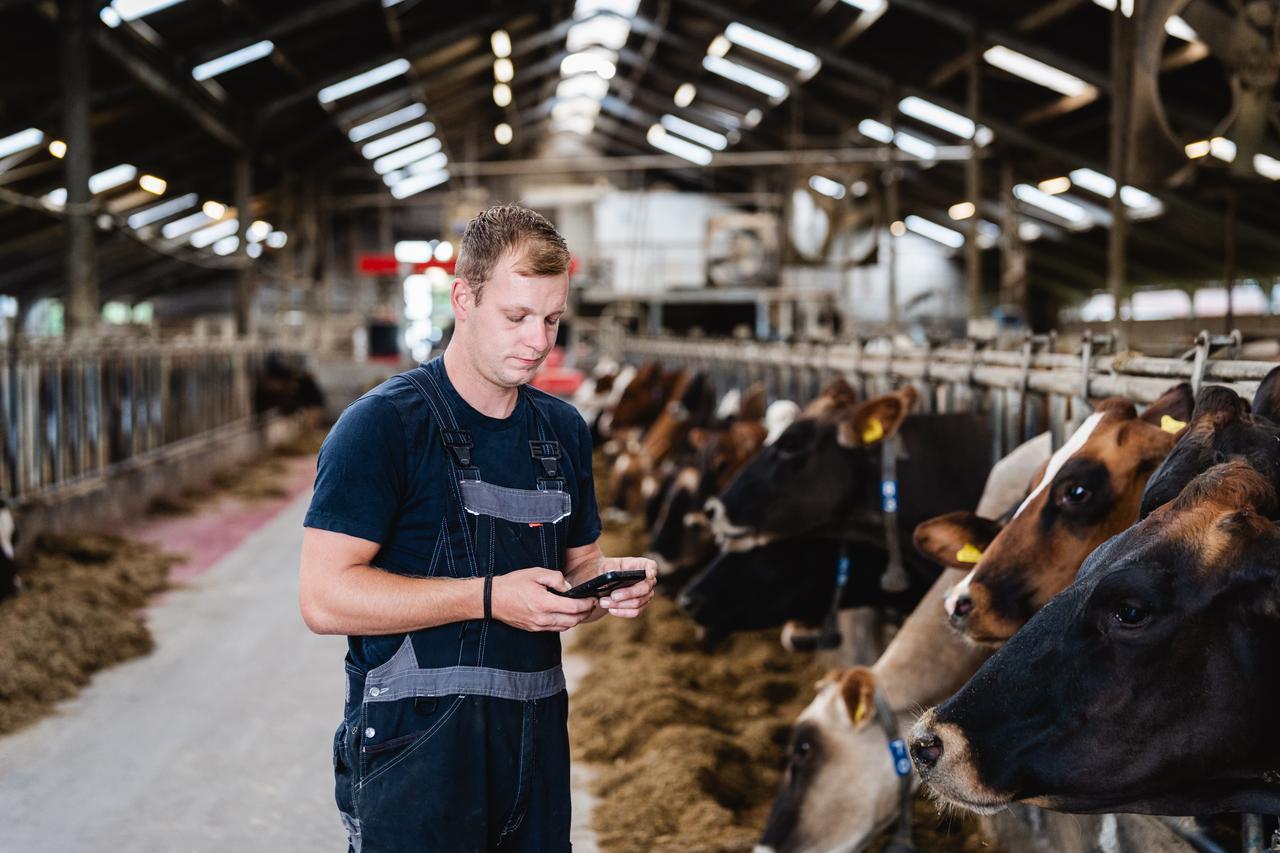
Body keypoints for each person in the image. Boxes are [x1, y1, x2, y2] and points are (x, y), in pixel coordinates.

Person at [299, 204, 657, 852]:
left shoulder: (562, 432)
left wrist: (609, 585)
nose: (537, 340)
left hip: (536, 745)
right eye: (516, 316)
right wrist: (490, 596)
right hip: (417, 749)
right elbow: (323, 598)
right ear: (463, 297)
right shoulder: (382, 426)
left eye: (551, 318)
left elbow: (579, 565)